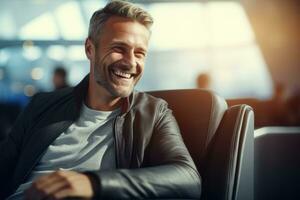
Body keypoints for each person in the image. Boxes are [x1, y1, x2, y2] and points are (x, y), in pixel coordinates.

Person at [0, 1, 201, 199]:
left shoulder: (153, 113)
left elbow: (188, 178)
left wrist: (95, 183)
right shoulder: (42, 105)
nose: (131, 62)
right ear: (89, 49)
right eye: (119, 48)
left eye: (139, 53)